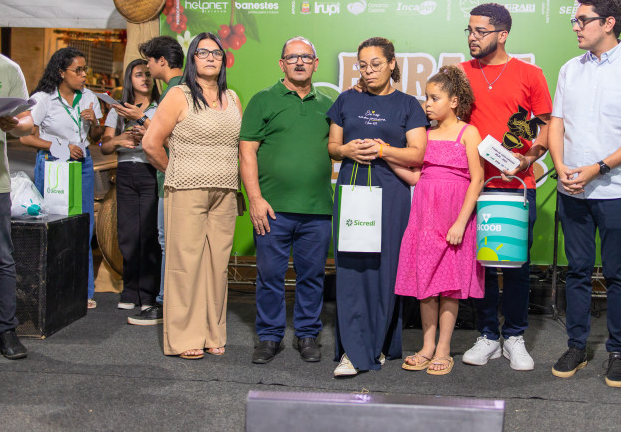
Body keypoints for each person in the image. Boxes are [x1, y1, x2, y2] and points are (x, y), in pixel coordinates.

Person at [548, 0, 621, 388]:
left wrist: (598, 168)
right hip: (572, 191)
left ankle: (618, 352)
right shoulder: (569, 69)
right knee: (577, 271)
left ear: (609, 23)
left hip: (617, 190)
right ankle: (576, 347)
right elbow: (557, 124)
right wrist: (560, 166)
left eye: (583, 20)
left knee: (617, 273)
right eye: (575, 20)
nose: (576, 27)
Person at [459, 3, 552, 371]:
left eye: (480, 31)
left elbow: (546, 126)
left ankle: (514, 336)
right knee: (479, 263)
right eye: (469, 30)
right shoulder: (459, 73)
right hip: (473, 185)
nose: (472, 37)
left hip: (516, 184)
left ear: (502, 34)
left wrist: (528, 158)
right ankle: (487, 335)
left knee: (515, 264)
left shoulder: (530, 74)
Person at [327, 37, 427, 377]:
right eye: (363, 65)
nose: (368, 71)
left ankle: (379, 344)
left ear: (392, 64)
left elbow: (417, 154)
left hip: (390, 195)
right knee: (352, 269)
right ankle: (353, 351)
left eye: (376, 64)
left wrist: (384, 150)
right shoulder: (346, 99)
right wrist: (346, 150)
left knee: (386, 269)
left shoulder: (408, 105)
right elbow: (332, 146)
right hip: (352, 190)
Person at [142, 32, 242, 359]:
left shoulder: (233, 97)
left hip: (225, 192)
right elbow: (150, 144)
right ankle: (185, 337)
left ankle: (213, 333)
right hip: (186, 189)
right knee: (185, 264)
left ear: (223, 60)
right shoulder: (179, 95)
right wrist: (176, 170)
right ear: (192, 58)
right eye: (203, 52)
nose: (211, 57)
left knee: (217, 265)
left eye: (216, 53)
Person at [240, 37, 333, 364]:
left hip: (317, 210)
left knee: (313, 277)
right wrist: (255, 198)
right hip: (272, 209)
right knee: (270, 277)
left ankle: (307, 334)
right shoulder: (263, 100)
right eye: (292, 57)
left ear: (315, 63)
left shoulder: (330, 104)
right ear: (281, 64)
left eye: (305, 57)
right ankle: (269, 337)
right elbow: (247, 152)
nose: (299, 62)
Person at [393, 66, 485, 375]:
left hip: (454, 218)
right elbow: (415, 176)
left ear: (454, 101)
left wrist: (460, 223)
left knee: (450, 286)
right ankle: (426, 346)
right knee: (426, 283)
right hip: (425, 218)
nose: (427, 104)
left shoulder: (468, 132)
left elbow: (477, 180)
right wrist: (385, 155)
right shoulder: (425, 134)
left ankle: (444, 349)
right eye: (426, 98)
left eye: (435, 98)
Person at [21, 47, 104, 309]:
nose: (84, 75)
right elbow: (27, 137)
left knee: (83, 225)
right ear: (61, 72)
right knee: (54, 225)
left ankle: (83, 290)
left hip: (83, 164)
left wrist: (95, 122)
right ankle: (51, 289)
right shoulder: (43, 99)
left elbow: (97, 137)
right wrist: (60, 146)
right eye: (78, 70)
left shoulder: (89, 97)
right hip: (53, 164)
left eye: (84, 69)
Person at [0, 0, 33, 359]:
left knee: (1, 258)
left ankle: (5, 330)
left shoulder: (6, 69)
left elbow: (27, 122)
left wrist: (13, 123)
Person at [127, 36, 184, 326]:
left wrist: (141, 119)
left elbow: (170, 138)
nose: (148, 68)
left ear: (162, 61)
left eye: (149, 61)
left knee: (168, 242)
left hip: (172, 177)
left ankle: (164, 303)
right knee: (170, 242)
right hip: (172, 175)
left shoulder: (174, 90)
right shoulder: (182, 87)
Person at [101, 59, 162, 312]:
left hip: (151, 170)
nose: (145, 78)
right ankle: (130, 290)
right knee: (127, 234)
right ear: (130, 79)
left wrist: (146, 133)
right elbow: (105, 146)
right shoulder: (118, 109)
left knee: (149, 234)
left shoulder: (161, 106)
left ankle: (148, 293)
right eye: (139, 74)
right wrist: (119, 139)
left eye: (148, 74)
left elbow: (167, 139)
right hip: (125, 172)